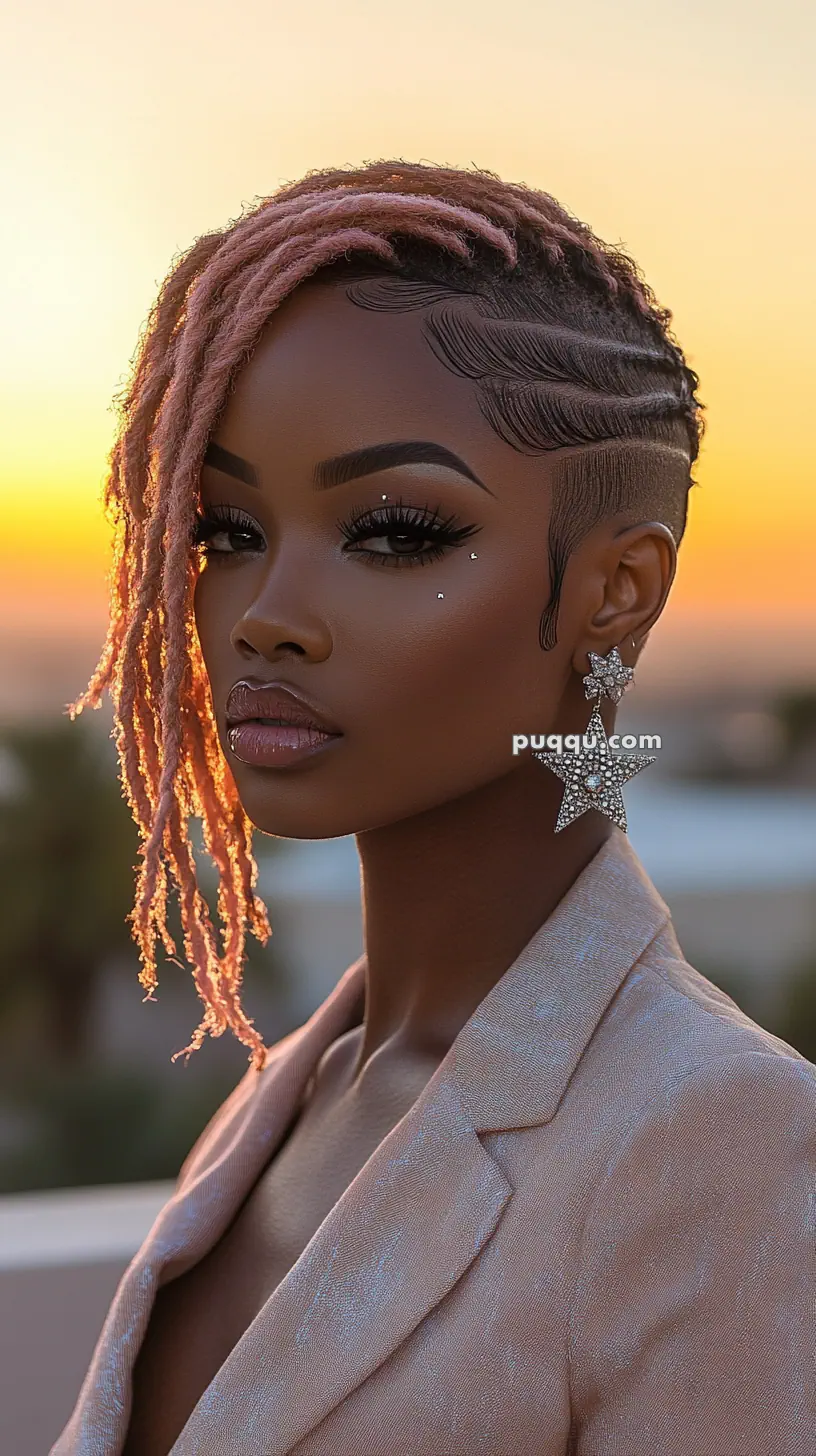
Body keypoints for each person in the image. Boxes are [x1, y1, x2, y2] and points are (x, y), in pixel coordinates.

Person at [54, 161, 814, 1455]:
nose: (268, 616)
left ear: (615, 590)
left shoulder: (722, 1137)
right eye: (225, 530)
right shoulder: (292, 1089)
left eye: (396, 531)